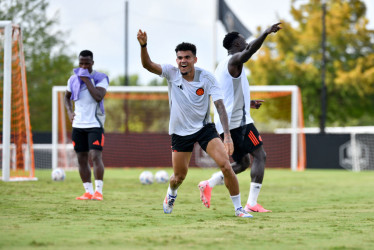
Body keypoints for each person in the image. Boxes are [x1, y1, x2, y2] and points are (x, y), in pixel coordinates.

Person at [137, 29, 252, 218]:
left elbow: (220, 105)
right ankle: (171, 193)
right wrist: (143, 45)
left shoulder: (207, 78)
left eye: (187, 57)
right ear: (176, 60)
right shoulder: (171, 73)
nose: (183, 61)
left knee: (226, 165)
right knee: (178, 177)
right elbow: (147, 65)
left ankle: (239, 209)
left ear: (195, 60)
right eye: (180, 57)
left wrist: (228, 136)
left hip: (204, 129)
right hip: (180, 132)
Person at [198, 23, 282, 213]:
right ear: (236, 44)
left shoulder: (222, 66)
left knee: (243, 163)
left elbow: (228, 94)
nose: (246, 43)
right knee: (260, 155)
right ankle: (251, 203)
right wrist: (265, 33)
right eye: (243, 40)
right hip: (238, 123)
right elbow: (250, 51)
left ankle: (209, 183)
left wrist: (248, 103)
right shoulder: (235, 60)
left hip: (228, 122)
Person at [64, 50, 109, 201]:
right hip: (78, 125)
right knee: (81, 158)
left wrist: (87, 79)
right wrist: (70, 111)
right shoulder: (72, 80)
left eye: (87, 63)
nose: (83, 66)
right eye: (81, 63)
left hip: (94, 124)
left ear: (92, 63)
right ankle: (88, 191)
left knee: (95, 156)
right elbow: (66, 97)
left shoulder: (100, 78)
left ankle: (98, 192)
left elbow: (98, 96)